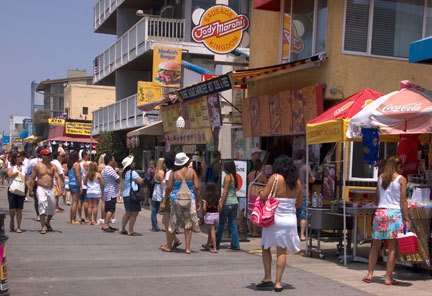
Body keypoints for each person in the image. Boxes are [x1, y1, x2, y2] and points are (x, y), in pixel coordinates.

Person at [256, 155, 303, 292]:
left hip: (274, 218)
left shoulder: (275, 178)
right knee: (282, 250)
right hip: (289, 220)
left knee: (266, 247)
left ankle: (267, 278)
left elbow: (264, 196)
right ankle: (278, 283)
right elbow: (299, 203)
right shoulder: (297, 182)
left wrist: (260, 192)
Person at [363, 156, 409, 286]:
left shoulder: (381, 177)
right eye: (401, 167)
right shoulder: (401, 179)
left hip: (380, 212)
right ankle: (388, 277)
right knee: (393, 248)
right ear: (397, 166)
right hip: (394, 214)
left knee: (375, 245)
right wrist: (406, 218)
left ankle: (370, 274)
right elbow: (403, 201)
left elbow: (377, 198)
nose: (402, 169)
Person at [163, 152, 201, 254]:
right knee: (188, 224)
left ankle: (169, 246)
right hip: (189, 199)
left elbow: (169, 188)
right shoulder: (192, 172)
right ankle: (188, 248)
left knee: (173, 222)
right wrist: (198, 200)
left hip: (176, 199)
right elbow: (197, 187)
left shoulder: (173, 173)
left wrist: (164, 200)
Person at [29, 149, 63, 234]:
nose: (49, 156)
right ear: (42, 156)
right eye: (47, 155)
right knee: (42, 204)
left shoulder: (53, 166)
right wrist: (30, 190)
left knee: (52, 207)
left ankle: (47, 222)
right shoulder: (38, 166)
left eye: (50, 155)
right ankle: (43, 226)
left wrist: (60, 189)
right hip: (41, 188)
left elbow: (57, 178)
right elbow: (32, 179)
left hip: (50, 188)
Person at [216, 160, 240, 251]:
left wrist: (221, 203)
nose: (223, 168)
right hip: (234, 202)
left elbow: (225, 192)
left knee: (221, 223)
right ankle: (235, 244)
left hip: (227, 202)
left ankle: (216, 243)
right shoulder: (234, 177)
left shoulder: (227, 177)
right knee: (233, 223)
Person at [159, 152, 181, 251]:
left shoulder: (169, 173)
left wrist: (163, 202)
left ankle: (168, 245)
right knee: (165, 221)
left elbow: (168, 188)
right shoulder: (177, 172)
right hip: (176, 198)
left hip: (169, 199)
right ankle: (175, 240)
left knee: (168, 223)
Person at [294, 149, 315, 241]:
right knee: (303, 215)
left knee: (294, 214)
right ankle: (302, 235)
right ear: (303, 157)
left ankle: (294, 233)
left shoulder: (292, 166)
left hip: (293, 193)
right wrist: (309, 180)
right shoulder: (306, 167)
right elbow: (313, 179)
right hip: (304, 192)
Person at [120, 155, 144, 236]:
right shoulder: (132, 173)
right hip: (132, 195)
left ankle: (122, 228)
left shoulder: (125, 173)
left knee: (128, 212)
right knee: (134, 213)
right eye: (133, 162)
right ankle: (130, 230)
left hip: (126, 194)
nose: (134, 163)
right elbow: (141, 181)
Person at [246, 159, 267, 237]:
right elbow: (266, 184)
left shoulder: (250, 174)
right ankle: (254, 232)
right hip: (258, 194)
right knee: (255, 213)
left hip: (250, 193)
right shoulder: (262, 175)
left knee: (250, 214)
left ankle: (250, 231)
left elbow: (248, 182)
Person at [6, 151, 25, 233]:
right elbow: (10, 176)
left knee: (19, 209)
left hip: (21, 189)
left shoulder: (24, 166)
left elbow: (26, 178)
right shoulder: (11, 166)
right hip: (12, 189)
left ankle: (18, 227)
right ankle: (12, 219)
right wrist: (18, 172)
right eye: (18, 156)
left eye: (20, 156)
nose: (20, 157)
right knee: (12, 208)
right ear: (14, 158)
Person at [101, 153, 120, 233]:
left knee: (108, 208)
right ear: (110, 161)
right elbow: (117, 178)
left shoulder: (105, 169)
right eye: (113, 159)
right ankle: (106, 224)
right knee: (111, 208)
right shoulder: (109, 169)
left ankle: (107, 223)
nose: (114, 161)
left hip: (107, 190)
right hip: (111, 191)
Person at [202, 182, 219, 253]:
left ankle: (214, 247)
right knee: (210, 230)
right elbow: (220, 206)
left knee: (212, 231)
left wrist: (204, 213)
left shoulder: (205, 196)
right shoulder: (217, 196)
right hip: (216, 214)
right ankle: (207, 244)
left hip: (209, 214)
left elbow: (204, 208)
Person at [68, 151, 82, 224]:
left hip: (71, 183)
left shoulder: (70, 164)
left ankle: (72, 219)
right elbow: (78, 175)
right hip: (75, 184)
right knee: (75, 203)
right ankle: (73, 219)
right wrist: (80, 186)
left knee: (74, 202)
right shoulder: (76, 164)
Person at [151, 158, 165, 232]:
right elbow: (163, 183)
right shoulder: (161, 172)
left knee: (154, 209)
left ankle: (154, 225)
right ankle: (155, 225)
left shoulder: (157, 171)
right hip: (159, 190)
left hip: (156, 190)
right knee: (157, 209)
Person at [79, 150, 90, 223]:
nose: (89, 156)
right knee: (86, 202)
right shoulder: (87, 164)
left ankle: (80, 217)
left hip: (80, 184)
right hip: (86, 185)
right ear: (84, 155)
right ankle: (86, 217)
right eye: (88, 155)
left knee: (80, 201)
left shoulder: (79, 164)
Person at [97, 153, 106, 224]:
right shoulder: (106, 167)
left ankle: (102, 217)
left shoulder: (99, 167)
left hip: (100, 185)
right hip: (105, 184)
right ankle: (104, 217)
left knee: (102, 202)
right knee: (105, 202)